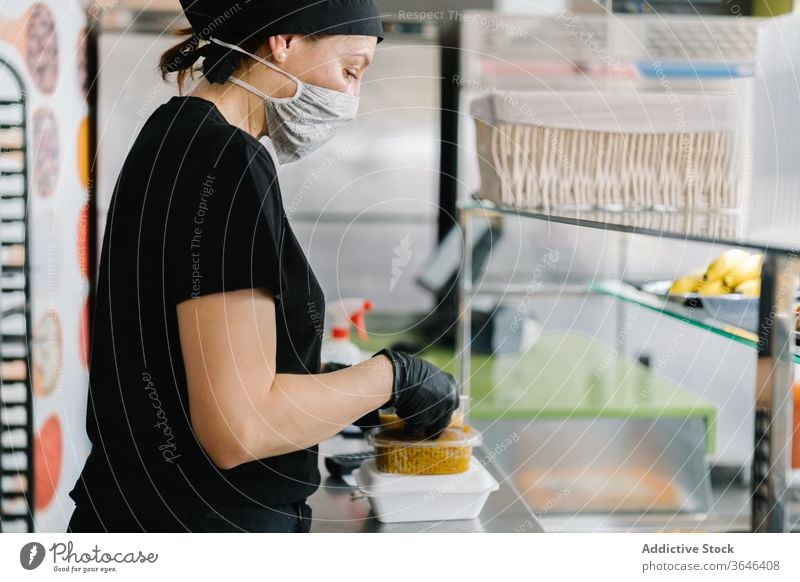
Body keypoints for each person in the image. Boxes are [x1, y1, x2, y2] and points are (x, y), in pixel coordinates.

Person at [67, 0, 459, 533]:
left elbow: (196, 371)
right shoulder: (224, 160)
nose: (352, 97)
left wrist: (344, 396)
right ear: (285, 41)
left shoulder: (176, 134)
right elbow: (237, 428)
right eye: (350, 70)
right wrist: (391, 377)